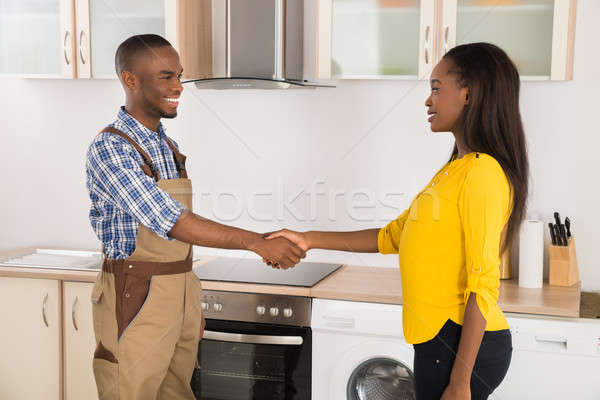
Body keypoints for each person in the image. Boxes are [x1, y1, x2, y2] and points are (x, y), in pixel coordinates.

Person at [265, 42, 528, 400]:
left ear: (468, 94)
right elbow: (392, 237)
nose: (428, 101)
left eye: (436, 88)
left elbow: (482, 284)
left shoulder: (481, 172)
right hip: (439, 340)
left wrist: (461, 382)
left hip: (459, 346)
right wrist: (307, 238)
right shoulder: (455, 170)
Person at [85, 34, 305, 400]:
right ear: (130, 80)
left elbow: (180, 233)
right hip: (134, 297)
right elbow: (173, 221)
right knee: (130, 391)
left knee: (177, 392)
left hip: (179, 291)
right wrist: (255, 242)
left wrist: (187, 304)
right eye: (166, 77)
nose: (178, 87)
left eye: (179, 76)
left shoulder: (165, 145)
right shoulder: (112, 147)